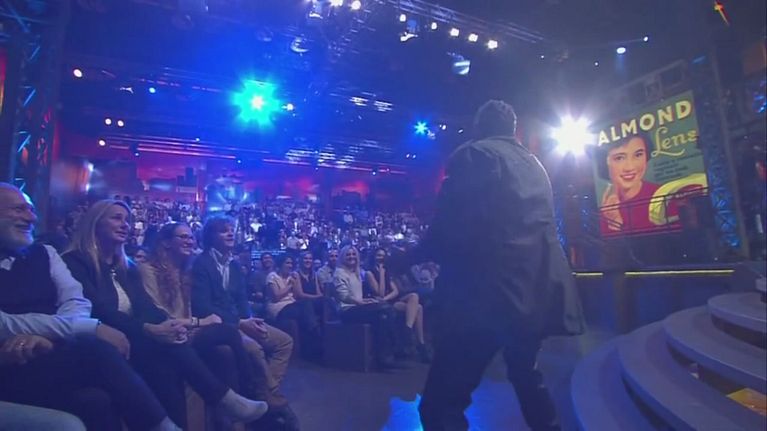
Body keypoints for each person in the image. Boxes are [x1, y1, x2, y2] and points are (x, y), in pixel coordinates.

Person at [413, 101, 585, 430]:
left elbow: (451, 223)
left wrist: (410, 256)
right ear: (513, 129)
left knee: (440, 405)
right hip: (535, 294)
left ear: (480, 126)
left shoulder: (475, 154)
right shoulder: (535, 165)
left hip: (487, 297)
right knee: (526, 376)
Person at [63, 200, 268, 428]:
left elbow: (146, 306)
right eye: (116, 218)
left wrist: (167, 324)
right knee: (180, 348)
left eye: (127, 220)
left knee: (173, 353)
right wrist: (151, 328)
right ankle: (226, 399)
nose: (125, 224)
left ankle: (210, 408)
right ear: (95, 222)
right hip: (102, 338)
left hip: (138, 334)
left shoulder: (126, 267)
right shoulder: (76, 262)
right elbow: (100, 309)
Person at [0, 183, 181, 431]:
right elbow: (3, 322)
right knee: (99, 349)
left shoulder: (46, 253)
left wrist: (50, 336)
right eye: (18, 209)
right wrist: (86, 328)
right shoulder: (76, 260)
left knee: (98, 399)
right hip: (8, 362)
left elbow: (76, 301)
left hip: (51, 352)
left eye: (30, 210)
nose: (31, 217)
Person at [140, 223, 259, 403]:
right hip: (168, 333)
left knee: (229, 340)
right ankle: (249, 391)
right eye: (183, 237)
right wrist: (199, 322)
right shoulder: (149, 269)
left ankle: (247, 395)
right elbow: (159, 314)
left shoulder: (185, 271)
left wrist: (246, 317)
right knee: (229, 332)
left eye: (191, 237)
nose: (189, 241)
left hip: (189, 330)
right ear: (166, 242)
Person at [190, 215, 295, 414]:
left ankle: (264, 391)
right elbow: (203, 306)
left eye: (231, 229)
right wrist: (240, 322)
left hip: (241, 320)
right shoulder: (201, 263)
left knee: (284, 342)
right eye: (223, 230)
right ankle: (269, 393)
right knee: (254, 348)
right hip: (218, 324)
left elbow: (241, 299)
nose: (230, 233)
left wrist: (250, 319)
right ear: (211, 236)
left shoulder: (235, 265)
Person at [332, 245, 398, 369]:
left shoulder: (356, 272)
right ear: (343, 257)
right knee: (386, 308)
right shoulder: (339, 273)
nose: (351, 257)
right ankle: (394, 349)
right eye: (348, 255)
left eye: (353, 254)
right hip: (347, 311)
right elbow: (343, 296)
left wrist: (365, 300)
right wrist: (360, 302)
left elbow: (357, 296)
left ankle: (383, 357)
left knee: (383, 318)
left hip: (357, 307)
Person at [368, 247, 429, 363]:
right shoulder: (369, 273)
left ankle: (410, 332)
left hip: (389, 300)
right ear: (373, 257)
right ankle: (421, 346)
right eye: (379, 255)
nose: (381, 258)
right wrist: (381, 275)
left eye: (383, 256)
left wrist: (385, 298)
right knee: (418, 308)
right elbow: (380, 292)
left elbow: (395, 291)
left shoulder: (388, 272)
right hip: (380, 305)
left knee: (415, 300)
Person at [597, 134, 660, 233]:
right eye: (619, 158)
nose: (630, 167)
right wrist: (615, 224)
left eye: (638, 155)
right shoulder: (605, 212)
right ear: (606, 163)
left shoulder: (664, 196)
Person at [265, 254, 322, 360]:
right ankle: (315, 330)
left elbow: (297, 295)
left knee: (307, 304)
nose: (290, 266)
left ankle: (314, 337)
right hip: (278, 307)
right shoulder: (272, 276)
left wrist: (295, 282)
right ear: (280, 264)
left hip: (292, 304)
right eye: (287, 263)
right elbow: (276, 296)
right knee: (306, 305)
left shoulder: (292, 276)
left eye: (291, 263)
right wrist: (290, 285)